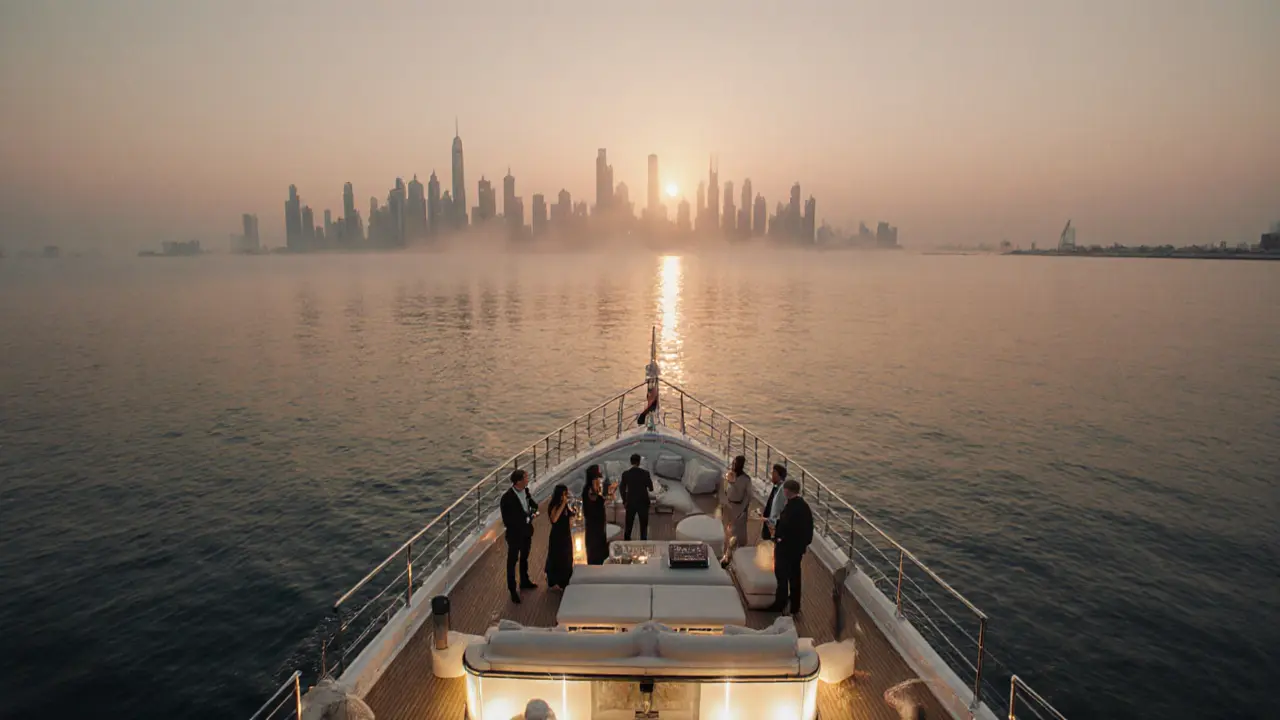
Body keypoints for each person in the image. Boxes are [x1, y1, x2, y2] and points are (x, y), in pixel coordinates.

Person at [767, 479, 813, 615]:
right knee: (795, 576)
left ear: (787, 491)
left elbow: (786, 527)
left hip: (786, 548)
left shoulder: (792, 508)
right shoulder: (804, 507)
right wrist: (803, 545)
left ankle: (780, 603)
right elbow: (808, 529)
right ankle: (795, 606)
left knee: (782, 575)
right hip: (797, 549)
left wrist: (778, 537)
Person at [500, 469, 538, 603]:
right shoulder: (507, 498)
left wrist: (533, 512)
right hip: (515, 535)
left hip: (526, 532)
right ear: (518, 481)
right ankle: (512, 589)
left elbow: (533, 505)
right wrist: (524, 519)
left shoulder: (526, 491)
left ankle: (524, 581)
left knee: (524, 558)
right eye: (526, 478)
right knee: (512, 562)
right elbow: (507, 520)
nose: (528, 480)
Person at [544, 484, 575, 590]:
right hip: (557, 537)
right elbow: (554, 519)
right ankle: (553, 580)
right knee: (557, 558)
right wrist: (563, 504)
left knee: (567, 558)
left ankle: (565, 580)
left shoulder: (565, 505)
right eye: (564, 494)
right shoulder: (554, 505)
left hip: (566, 535)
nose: (565, 496)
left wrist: (573, 513)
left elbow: (570, 515)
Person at [619, 453, 653, 541]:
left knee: (628, 525)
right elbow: (651, 488)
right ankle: (643, 542)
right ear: (639, 462)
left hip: (630, 502)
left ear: (631, 462)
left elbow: (622, 489)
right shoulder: (645, 473)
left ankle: (626, 542)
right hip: (643, 502)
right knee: (643, 526)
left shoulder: (625, 474)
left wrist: (624, 500)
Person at [581, 464, 611, 565]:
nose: (599, 481)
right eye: (596, 479)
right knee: (595, 555)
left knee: (600, 554)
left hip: (599, 529)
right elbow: (595, 501)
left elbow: (601, 501)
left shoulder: (594, 491)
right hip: (594, 530)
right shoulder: (589, 491)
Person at [723, 455, 751, 553]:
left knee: (738, 532)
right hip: (728, 506)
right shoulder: (729, 474)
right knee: (727, 530)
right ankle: (726, 552)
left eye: (736, 464)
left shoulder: (746, 479)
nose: (734, 465)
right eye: (733, 463)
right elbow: (725, 489)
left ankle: (738, 552)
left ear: (741, 465)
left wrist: (743, 510)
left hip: (739, 507)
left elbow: (748, 496)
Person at [761, 464, 787, 541]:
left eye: (774, 473)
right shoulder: (776, 487)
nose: (771, 474)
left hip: (774, 528)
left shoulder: (782, 491)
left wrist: (771, 521)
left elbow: (780, 509)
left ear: (779, 475)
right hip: (769, 524)